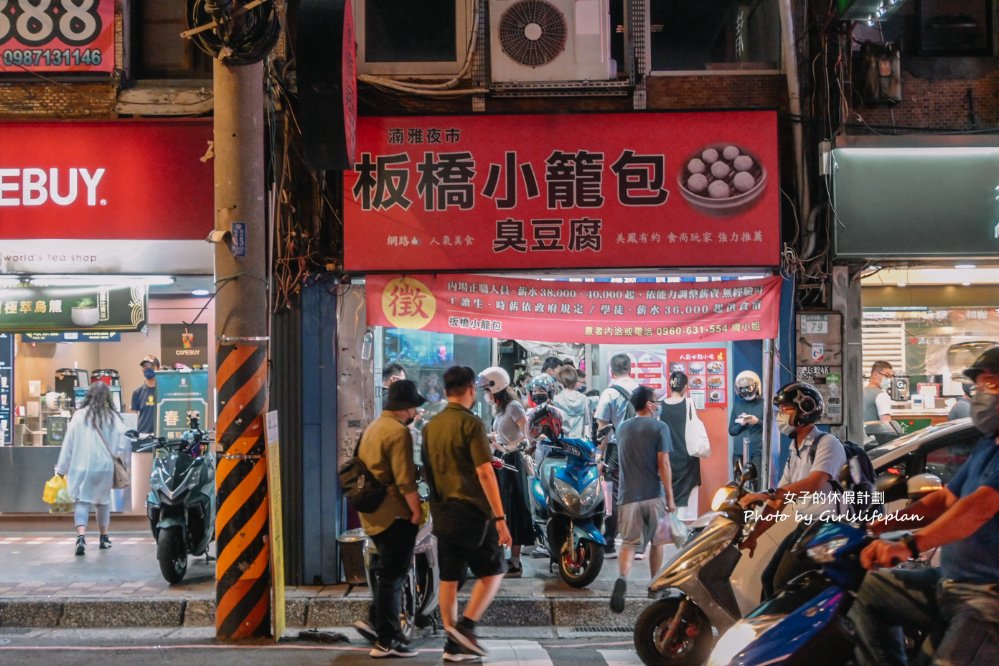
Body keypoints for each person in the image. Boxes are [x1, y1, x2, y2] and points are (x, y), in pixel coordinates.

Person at [848, 348, 999, 666]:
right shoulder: (989, 444)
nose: (979, 393)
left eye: (990, 383)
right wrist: (880, 526)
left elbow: (978, 508)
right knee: (870, 588)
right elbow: (944, 500)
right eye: (978, 385)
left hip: (986, 600)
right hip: (950, 583)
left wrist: (910, 545)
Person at [422, 366, 512, 661]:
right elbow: (485, 472)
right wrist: (500, 519)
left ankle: (452, 645)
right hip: (472, 512)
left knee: (449, 578)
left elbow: (428, 472)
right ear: (471, 389)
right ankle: (467, 627)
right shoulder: (470, 424)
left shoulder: (431, 427)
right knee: (494, 570)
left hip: (442, 512)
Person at [739, 382, 847, 599]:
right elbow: (779, 502)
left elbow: (813, 483)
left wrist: (765, 494)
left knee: (783, 582)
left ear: (804, 410)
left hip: (828, 527)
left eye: (785, 410)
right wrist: (754, 535)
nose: (780, 416)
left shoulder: (828, 444)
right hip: (807, 525)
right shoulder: (795, 452)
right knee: (769, 578)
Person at [351, 380, 425, 658]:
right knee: (394, 575)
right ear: (405, 408)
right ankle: (388, 639)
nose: (416, 413)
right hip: (393, 514)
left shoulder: (373, 427)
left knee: (385, 571)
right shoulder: (398, 433)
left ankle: (376, 621)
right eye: (414, 408)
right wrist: (416, 511)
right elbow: (405, 479)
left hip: (371, 513)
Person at [609, 385, 675, 614]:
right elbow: (663, 464)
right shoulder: (659, 427)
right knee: (657, 542)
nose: (658, 404)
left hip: (628, 496)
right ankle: (655, 585)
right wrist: (671, 497)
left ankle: (622, 578)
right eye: (656, 401)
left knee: (628, 543)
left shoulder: (623, 428)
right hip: (652, 494)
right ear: (648, 404)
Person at [55, 381, 128, 556]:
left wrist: (61, 468)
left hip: (80, 467)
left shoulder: (79, 416)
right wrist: (117, 455)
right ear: (107, 397)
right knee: (102, 502)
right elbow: (122, 443)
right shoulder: (112, 416)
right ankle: (104, 538)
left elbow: (68, 445)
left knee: (82, 501)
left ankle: (81, 537)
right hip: (104, 467)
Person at [479, 366, 533, 579]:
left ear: (496, 388)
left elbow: (526, 432)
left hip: (512, 462)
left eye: (486, 390)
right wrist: (494, 439)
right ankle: (501, 557)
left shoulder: (513, 406)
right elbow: (505, 432)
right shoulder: (500, 409)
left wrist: (510, 447)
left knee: (515, 507)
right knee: (500, 506)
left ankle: (515, 561)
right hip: (500, 461)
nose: (485, 395)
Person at [594, 353, 640, 559]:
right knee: (638, 493)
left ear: (611, 371)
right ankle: (638, 544)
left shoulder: (609, 394)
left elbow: (603, 427)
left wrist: (599, 455)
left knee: (611, 494)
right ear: (630, 369)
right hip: (640, 448)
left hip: (615, 450)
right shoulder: (642, 391)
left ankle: (610, 541)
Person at [660, 371, 702, 522]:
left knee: (668, 499)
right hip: (687, 459)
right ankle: (682, 535)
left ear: (670, 387)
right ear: (685, 387)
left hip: (668, 459)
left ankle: (670, 531)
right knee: (686, 509)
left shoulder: (660, 406)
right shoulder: (689, 403)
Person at [729, 370, 765, 481]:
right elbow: (731, 431)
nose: (748, 395)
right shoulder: (738, 405)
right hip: (738, 452)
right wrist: (742, 424)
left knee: (756, 483)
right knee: (739, 484)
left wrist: (757, 421)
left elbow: (771, 428)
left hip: (756, 453)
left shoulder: (764, 404)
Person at [553, 365, 592, 440]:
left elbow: (556, 424)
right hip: (579, 441)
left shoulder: (557, 399)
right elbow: (587, 423)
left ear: (560, 381)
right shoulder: (584, 398)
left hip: (564, 441)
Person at [863, 360, 895, 435]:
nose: (889, 380)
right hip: (876, 441)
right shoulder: (881, 395)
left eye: (891, 377)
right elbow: (887, 425)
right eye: (887, 376)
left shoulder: (861, 392)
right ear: (875, 375)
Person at [130, 354, 159, 435]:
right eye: (145, 366)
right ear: (142, 370)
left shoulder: (164, 391)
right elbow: (133, 417)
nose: (148, 369)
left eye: (151, 366)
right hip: (143, 435)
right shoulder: (137, 392)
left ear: (158, 368)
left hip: (160, 434)